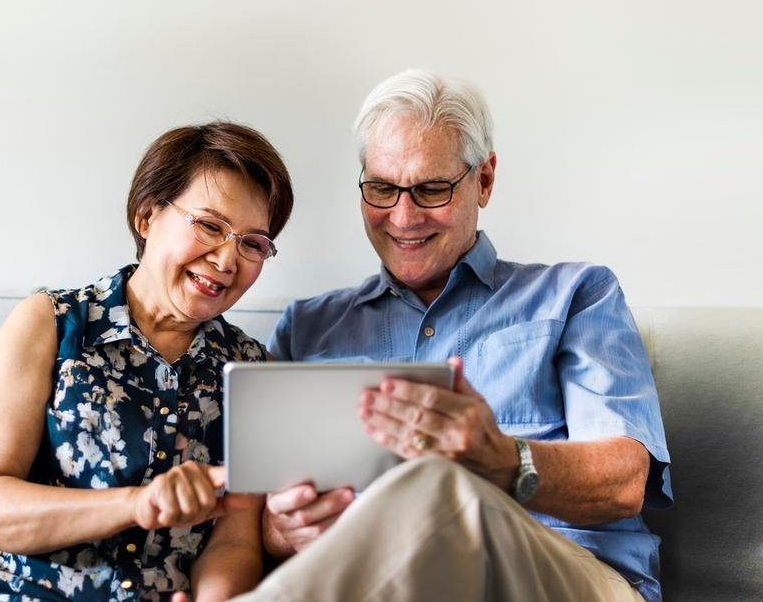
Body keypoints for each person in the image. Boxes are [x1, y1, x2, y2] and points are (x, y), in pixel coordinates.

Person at [249, 70, 671, 601]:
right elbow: (258, 518)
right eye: (381, 188)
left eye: (430, 189)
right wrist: (280, 534)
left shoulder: (576, 296)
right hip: (373, 583)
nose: (403, 217)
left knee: (437, 483)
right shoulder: (305, 329)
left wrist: (503, 460)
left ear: (485, 180)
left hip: (568, 578)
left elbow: (624, 483)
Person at [0, 122, 294, 601]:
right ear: (147, 217)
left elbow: (234, 541)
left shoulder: (251, 369)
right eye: (211, 225)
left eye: (252, 243)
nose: (227, 260)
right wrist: (138, 504)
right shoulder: (50, 323)